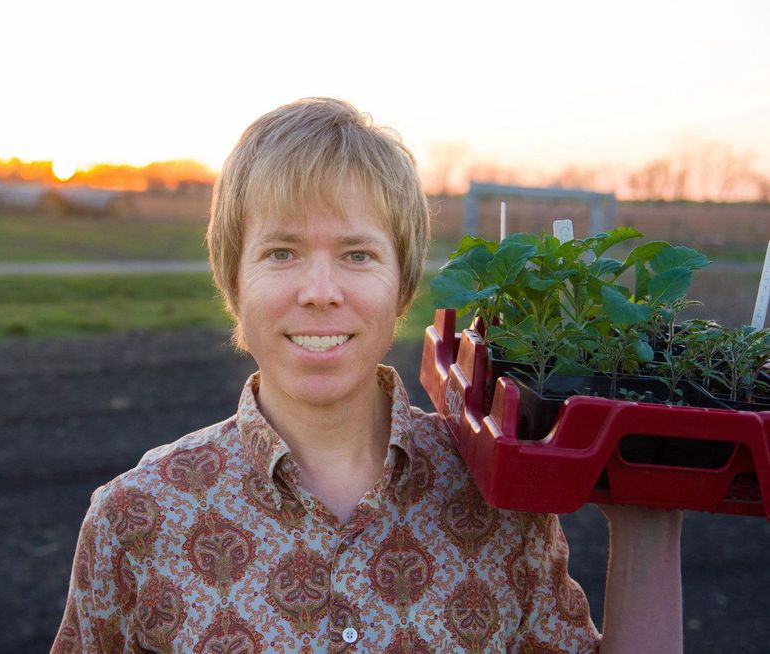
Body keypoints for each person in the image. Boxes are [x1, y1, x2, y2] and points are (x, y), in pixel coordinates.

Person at [52, 98, 683, 652]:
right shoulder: (137, 519)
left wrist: (648, 525)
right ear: (232, 282)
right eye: (282, 252)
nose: (320, 291)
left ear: (401, 288)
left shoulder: (497, 498)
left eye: (357, 255)